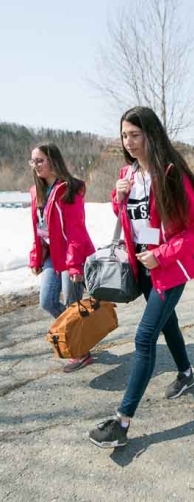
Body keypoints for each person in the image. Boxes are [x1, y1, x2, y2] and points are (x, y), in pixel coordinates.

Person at [89, 106, 194, 448]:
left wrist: (161, 255)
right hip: (141, 265)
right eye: (125, 136)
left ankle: (122, 422)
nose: (129, 142)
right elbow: (130, 217)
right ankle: (186, 374)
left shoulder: (170, 173)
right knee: (166, 323)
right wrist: (118, 197)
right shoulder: (129, 173)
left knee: (144, 339)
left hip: (170, 267)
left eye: (135, 135)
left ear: (151, 134)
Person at [28, 142, 95, 372]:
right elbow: (39, 229)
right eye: (33, 161)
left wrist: (75, 265)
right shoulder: (36, 191)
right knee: (47, 301)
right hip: (51, 256)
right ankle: (81, 338)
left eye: (39, 160)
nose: (35, 165)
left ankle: (80, 350)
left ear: (52, 161)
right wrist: (36, 257)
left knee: (72, 304)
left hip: (71, 255)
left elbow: (76, 230)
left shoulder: (69, 189)